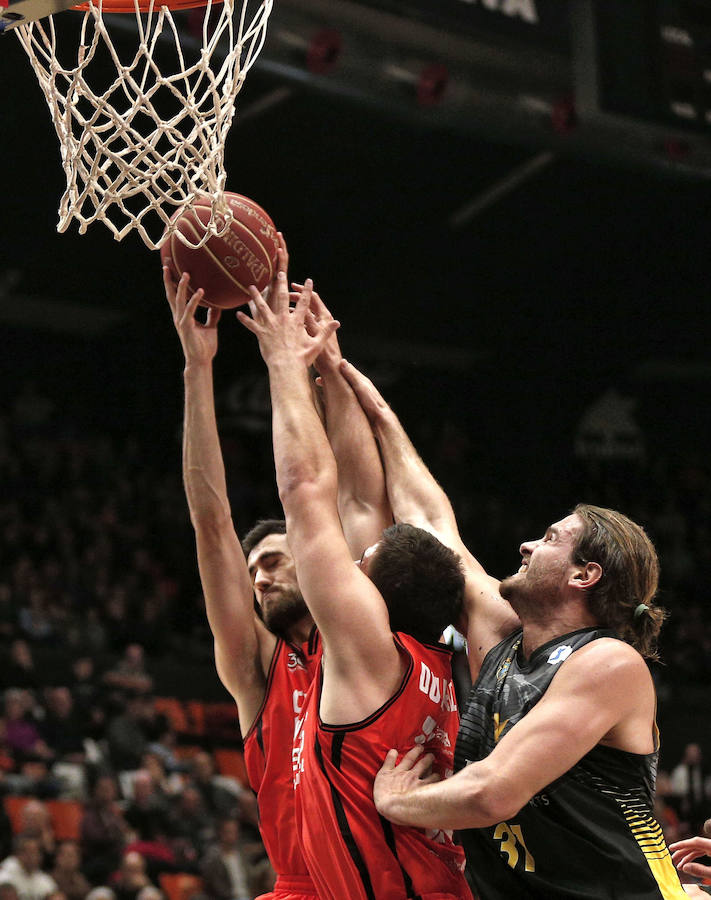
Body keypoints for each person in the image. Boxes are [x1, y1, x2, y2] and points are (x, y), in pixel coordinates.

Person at [337, 361, 692, 899]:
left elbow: (491, 794)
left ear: (584, 575)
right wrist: (374, 407)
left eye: (550, 538)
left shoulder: (608, 663)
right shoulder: (502, 639)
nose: (526, 545)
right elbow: (432, 528)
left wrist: (393, 801)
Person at [163, 236, 389, 900]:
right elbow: (210, 522)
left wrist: (324, 371)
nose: (259, 576)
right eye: (255, 566)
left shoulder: (359, 635)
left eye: (274, 562)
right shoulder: (259, 673)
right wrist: (197, 368)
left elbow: (350, 496)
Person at [238, 277, 473, 900]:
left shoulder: (367, 651)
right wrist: (331, 372)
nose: (350, 551)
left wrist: (284, 362)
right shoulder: (435, 659)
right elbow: (362, 497)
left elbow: (308, 489)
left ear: (372, 591)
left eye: (360, 558)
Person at [0, 835, 58, 900]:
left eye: (36, 853)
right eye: (28, 852)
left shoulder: (45, 881)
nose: (32, 857)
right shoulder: (6, 871)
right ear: (18, 853)